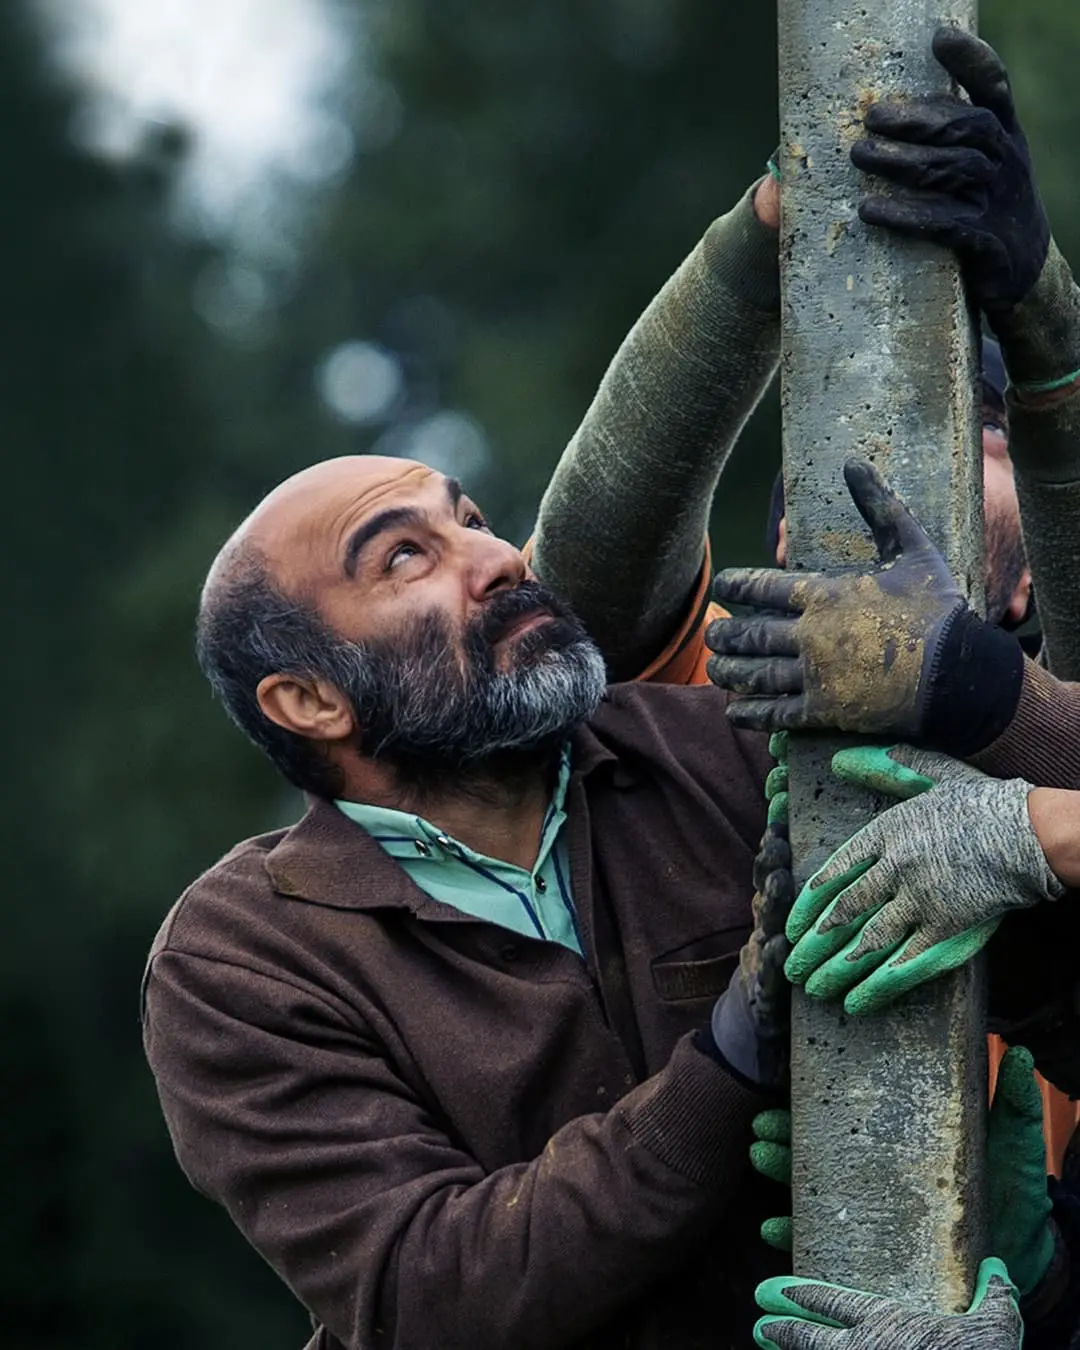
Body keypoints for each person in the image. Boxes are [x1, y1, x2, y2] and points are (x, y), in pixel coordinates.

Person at [530, 26, 1080, 1167]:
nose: (879, 457)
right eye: (817, 444)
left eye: (975, 433)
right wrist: (779, 224)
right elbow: (587, 570)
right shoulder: (746, 681)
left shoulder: (1047, 674)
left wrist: (1044, 320)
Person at [142, 452, 802, 1350]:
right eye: (405, 557)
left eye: (473, 521)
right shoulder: (238, 958)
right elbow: (432, 1292)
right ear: (309, 699)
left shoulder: (728, 746)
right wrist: (726, 1064)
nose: (500, 560)